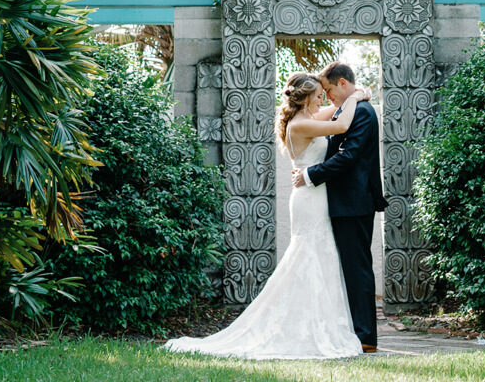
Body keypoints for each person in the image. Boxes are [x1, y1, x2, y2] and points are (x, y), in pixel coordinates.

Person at [162, 72, 369, 360]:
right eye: (318, 95)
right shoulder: (300, 126)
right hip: (309, 200)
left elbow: (336, 111)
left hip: (315, 195)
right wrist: (357, 96)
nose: (323, 98)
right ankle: (308, 325)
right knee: (309, 254)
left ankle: (320, 320)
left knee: (321, 255)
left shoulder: (307, 118)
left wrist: (353, 96)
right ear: (307, 97)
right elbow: (343, 122)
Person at [291, 62, 387, 354]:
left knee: (357, 268)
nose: (328, 97)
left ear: (343, 83)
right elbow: (334, 127)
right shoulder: (345, 110)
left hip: (353, 202)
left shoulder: (362, 112)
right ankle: (354, 331)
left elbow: (348, 156)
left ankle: (366, 336)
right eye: (322, 93)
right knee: (347, 267)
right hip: (339, 202)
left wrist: (309, 175)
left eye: (330, 90)